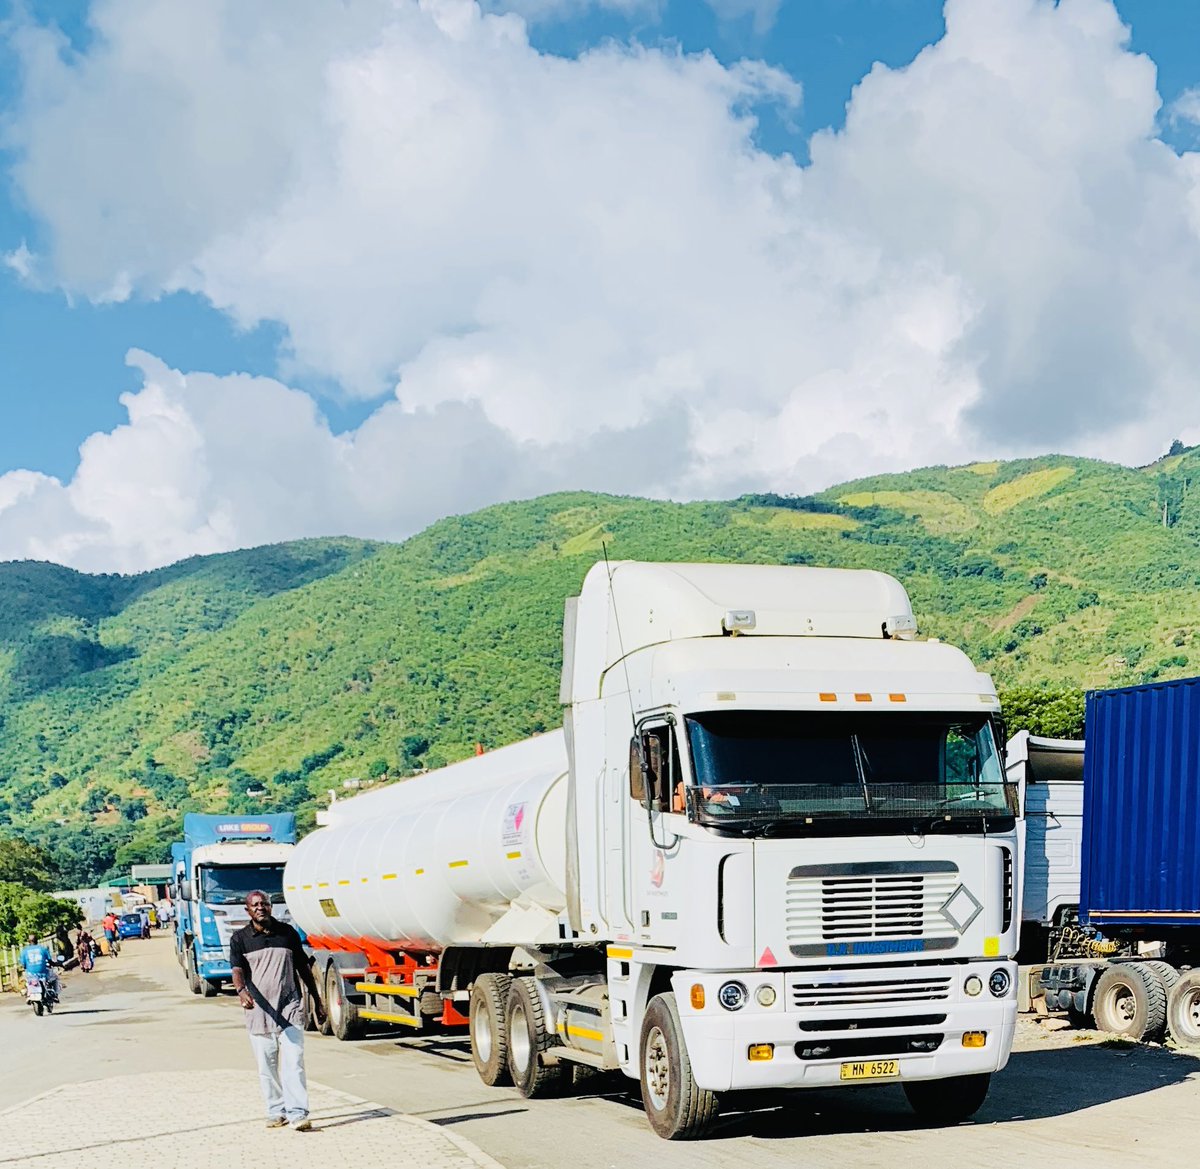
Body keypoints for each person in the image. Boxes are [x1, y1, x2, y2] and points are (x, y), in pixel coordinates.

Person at [229, 891, 326, 1132]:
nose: (261, 908)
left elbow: (303, 968)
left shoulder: (287, 933)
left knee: (294, 1063)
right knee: (267, 1067)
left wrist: (318, 1000)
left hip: (290, 1008)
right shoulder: (240, 939)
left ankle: (298, 1114)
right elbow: (237, 969)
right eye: (255, 905)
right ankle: (276, 1111)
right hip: (259, 1012)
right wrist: (242, 991)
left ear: (271, 907)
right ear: (248, 910)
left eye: (265, 904)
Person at [19, 934, 61, 1001]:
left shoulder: (24, 951)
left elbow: (23, 964)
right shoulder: (42, 949)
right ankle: (55, 994)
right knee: (55, 977)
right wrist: (55, 964)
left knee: (24, 980)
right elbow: (49, 960)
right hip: (43, 973)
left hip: (30, 974)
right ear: (37, 940)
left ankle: (27, 993)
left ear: (28, 941)